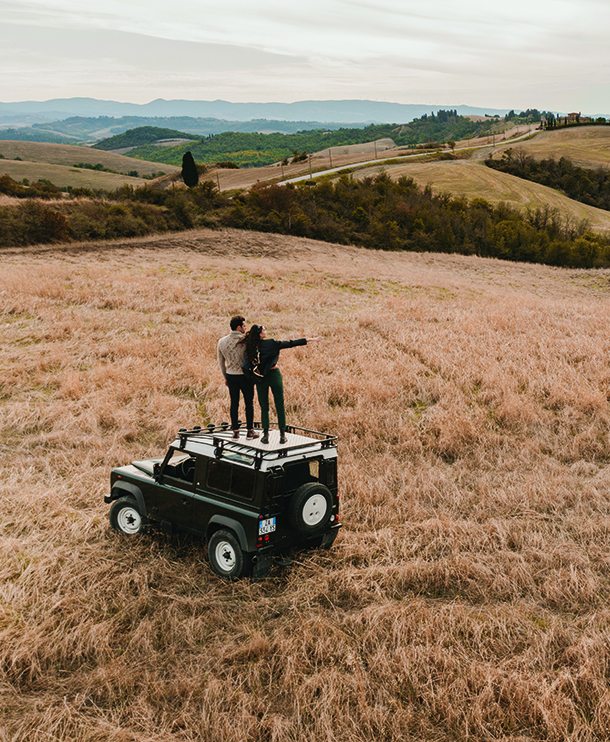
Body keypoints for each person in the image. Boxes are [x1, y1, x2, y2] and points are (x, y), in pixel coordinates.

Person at [243, 324, 322, 444]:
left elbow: (245, 366)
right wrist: (310, 339)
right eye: (264, 330)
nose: (266, 331)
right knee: (280, 405)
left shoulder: (251, 347)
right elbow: (291, 343)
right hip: (274, 375)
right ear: (260, 334)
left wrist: (252, 377)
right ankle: (282, 435)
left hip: (260, 379)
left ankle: (265, 435)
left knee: (264, 407)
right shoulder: (272, 343)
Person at [217, 316, 258, 439]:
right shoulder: (246, 341)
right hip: (245, 377)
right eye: (244, 326)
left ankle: (235, 431)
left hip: (231, 375)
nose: (245, 328)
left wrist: (225, 376)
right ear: (239, 327)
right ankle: (250, 431)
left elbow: (221, 362)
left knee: (234, 403)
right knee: (248, 403)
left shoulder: (222, 341)